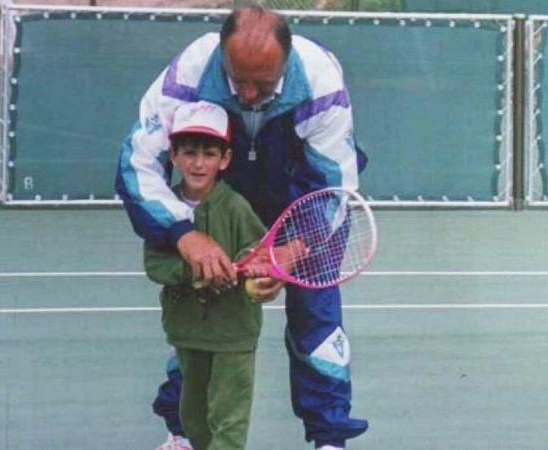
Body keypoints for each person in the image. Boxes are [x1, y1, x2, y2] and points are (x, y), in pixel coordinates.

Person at [116, 6, 368, 450]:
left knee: (319, 321)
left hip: (300, 197)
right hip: (223, 192)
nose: (249, 94)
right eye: (238, 80)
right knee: (201, 313)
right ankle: (183, 434)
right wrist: (185, 233)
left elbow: (334, 188)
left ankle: (330, 441)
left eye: (263, 83)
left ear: (285, 64)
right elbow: (137, 165)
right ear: (221, 54)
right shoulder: (191, 72)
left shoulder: (320, 80)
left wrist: (290, 251)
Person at [144, 100, 267, 450]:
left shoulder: (236, 207)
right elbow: (155, 263)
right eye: (189, 153)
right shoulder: (163, 208)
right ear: (174, 156)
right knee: (194, 417)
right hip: (188, 331)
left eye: (209, 154)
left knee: (229, 419)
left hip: (234, 332)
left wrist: (252, 268)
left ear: (224, 159)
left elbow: (256, 252)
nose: (199, 163)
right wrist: (194, 270)